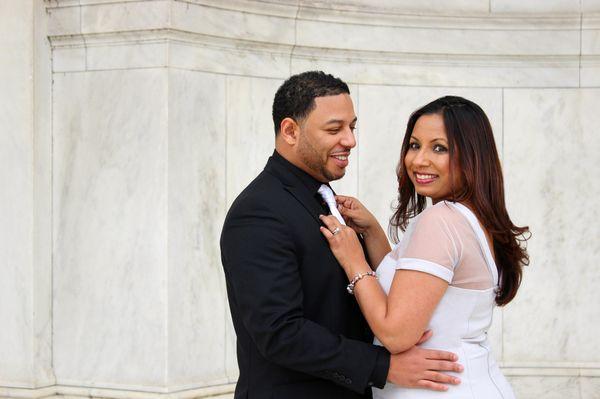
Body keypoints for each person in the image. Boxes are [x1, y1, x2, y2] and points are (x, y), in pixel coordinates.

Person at [220, 72, 463, 399]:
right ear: (290, 130)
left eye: (352, 127)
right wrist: (383, 366)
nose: (350, 140)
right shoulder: (259, 211)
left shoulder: (325, 199)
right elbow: (280, 333)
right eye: (335, 129)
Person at [319, 95, 530, 398]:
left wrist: (354, 261)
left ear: (471, 157)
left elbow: (396, 334)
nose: (418, 160)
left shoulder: (440, 221)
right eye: (415, 145)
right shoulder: (468, 217)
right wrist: (374, 233)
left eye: (439, 148)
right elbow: (415, 288)